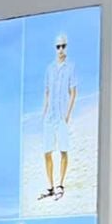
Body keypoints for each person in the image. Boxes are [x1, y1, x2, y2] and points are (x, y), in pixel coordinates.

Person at [39, 32, 79, 201]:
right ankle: (50, 186)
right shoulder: (49, 68)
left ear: (66, 47)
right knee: (47, 152)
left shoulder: (71, 67)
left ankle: (60, 185)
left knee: (63, 150)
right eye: (58, 46)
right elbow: (47, 92)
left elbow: (73, 92)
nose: (61, 49)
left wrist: (68, 114)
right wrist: (43, 112)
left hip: (62, 115)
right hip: (50, 115)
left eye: (63, 46)